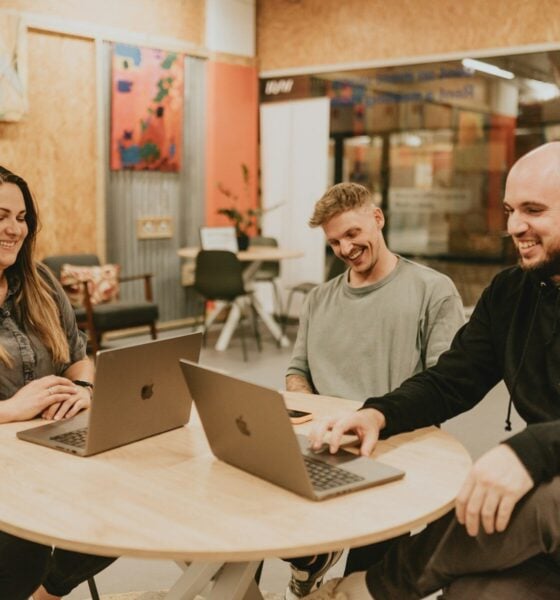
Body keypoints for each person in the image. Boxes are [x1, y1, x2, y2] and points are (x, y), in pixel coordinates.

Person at [301, 141, 560, 599]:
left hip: (550, 494)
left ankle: (373, 587)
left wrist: (531, 450)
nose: (515, 226)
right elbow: (450, 380)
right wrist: (376, 414)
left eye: (533, 210)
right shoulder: (510, 292)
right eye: (509, 210)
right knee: (470, 592)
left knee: (541, 500)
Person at [284, 182, 465, 598]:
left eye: (352, 234)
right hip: (321, 438)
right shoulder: (318, 300)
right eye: (334, 243)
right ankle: (311, 558)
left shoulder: (433, 290)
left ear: (377, 218)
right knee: (250, 509)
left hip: (393, 443)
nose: (345, 249)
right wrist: (310, 411)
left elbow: (445, 382)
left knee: (365, 574)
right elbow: (297, 370)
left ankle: (329, 565)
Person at [0, 167, 115, 600]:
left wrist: (82, 391)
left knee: (123, 504)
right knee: (19, 551)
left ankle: (47, 596)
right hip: (6, 471)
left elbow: (78, 358)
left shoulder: (41, 282)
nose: (14, 229)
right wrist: (10, 409)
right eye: (1, 216)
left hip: (53, 451)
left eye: (21, 217)